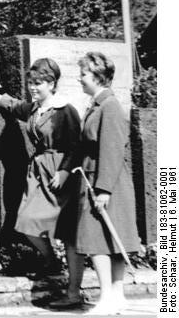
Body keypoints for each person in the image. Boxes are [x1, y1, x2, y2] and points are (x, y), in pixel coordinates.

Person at [0, 58, 85, 309]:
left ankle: (74, 292)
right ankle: (51, 261)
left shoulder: (65, 110)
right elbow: (12, 104)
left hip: (61, 175)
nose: (33, 87)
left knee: (70, 234)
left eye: (38, 83)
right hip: (38, 174)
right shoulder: (34, 108)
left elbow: (77, 145)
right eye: (30, 83)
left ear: (52, 84)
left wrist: (64, 172)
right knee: (27, 222)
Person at [73, 51, 142, 315]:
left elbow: (112, 150)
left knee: (99, 241)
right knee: (110, 239)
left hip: (104, 182)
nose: (80, 79)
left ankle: (108, 297)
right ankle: (116, 295)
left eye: (84, 74)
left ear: (98, 77)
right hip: (99, 179)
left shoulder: (109, 106)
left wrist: (103, 190)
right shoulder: (98, 104)